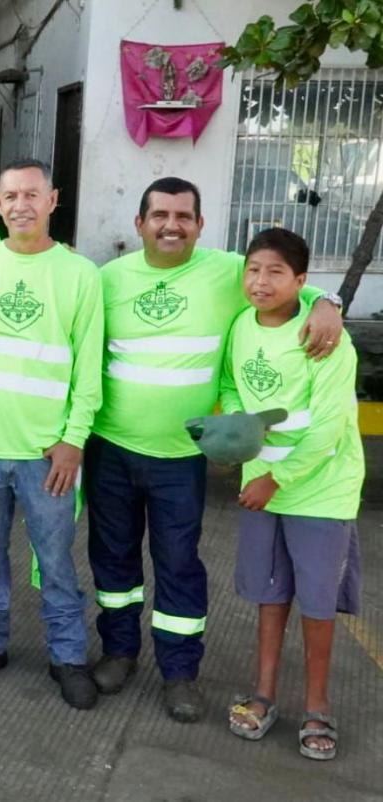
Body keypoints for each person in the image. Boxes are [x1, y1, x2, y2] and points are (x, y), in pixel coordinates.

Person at [85, 177, 344, 722]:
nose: (171, 225)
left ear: (201, 226)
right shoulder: (106, 279)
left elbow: (283, 277)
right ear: (139, 223)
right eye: (159, 215)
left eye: (184, 216)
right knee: (113, 558)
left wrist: (329, 302)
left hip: (182, 458)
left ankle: (179, 673)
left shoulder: (230, 270)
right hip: (110, 448)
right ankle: (119, 652)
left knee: (178, 563)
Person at [0, 158, 101, 710]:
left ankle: (69, 656)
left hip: (46, 453)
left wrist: (73, 440)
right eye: (10, 196)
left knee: (56, 562)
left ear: (53, 200)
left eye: (31, 194)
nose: (20, 205)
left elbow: (87, 367)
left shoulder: (80, 275)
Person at [220, 228, 362, 761]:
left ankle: (318, 706)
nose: (261, 281)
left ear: (302, 282)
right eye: (254, 269)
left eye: (276, 272)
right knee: (270, 594)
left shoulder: (324, 335)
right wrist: (239, 426)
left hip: (320, 492)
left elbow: (327, 428)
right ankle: (264, 694)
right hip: (263, 486)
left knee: (317, 605)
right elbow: (233, 384)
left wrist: (274, 479)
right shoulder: (240, 325)